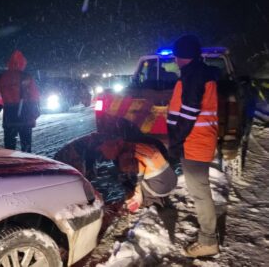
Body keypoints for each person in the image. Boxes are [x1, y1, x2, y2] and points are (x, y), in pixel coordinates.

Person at [167, 35, 220, 257]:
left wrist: (176, 143)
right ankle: (208, 235)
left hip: (194, 143)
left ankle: (208, 241)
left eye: (177, 55)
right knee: (200, 190)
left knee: (200, 192)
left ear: (183, 57)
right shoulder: (198, 73)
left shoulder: (193, 77)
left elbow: (188, 114)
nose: (175, 60)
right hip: (198, 140)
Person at [55, 132, 176, 213]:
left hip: (159, 186)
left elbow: (136, 176)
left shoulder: (117, 149)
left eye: (104, 155)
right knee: (78, 184)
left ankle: (150, 199)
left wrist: (135, 194)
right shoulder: (130, 144)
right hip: (170, 181)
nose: (106, 159)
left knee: (130, 183)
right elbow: (82, 180)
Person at [0, 50, 40, 152]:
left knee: (9, 144)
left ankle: (11, 163)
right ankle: (26, 162)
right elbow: (34, 96)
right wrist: (35, 112)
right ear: (22, 62)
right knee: (26, 144)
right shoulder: (26, 76)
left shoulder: (2, 77)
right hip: (24, 113)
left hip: (9, 114)